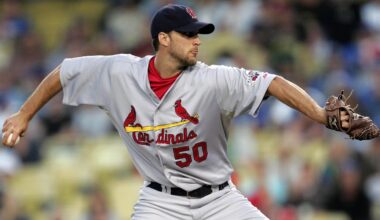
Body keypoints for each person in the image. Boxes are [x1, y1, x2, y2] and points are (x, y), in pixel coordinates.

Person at [0, 4, 372, 220]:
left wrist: (322, 117)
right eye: (188, 34)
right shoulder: (118, 73)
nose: (197, 40)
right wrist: (24, 114)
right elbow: (63, 72)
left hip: (220, 199)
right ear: (163, 39)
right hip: (160, 201)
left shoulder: (213, 79)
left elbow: (272, 82)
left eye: (198, 33)